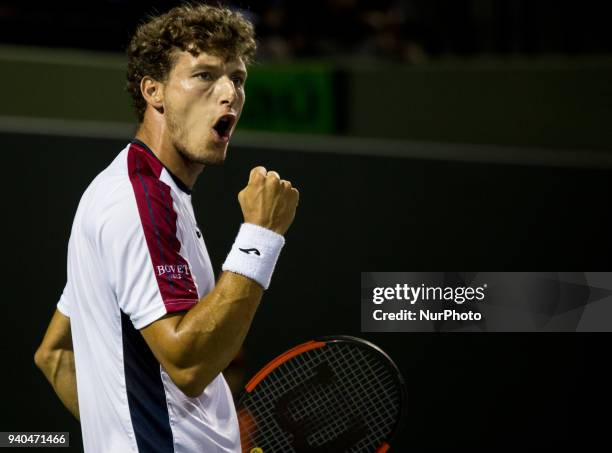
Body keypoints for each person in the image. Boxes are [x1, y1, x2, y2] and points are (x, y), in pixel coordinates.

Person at [33, 4, 299, 452]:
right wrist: (261, 235)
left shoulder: (137, 190)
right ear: (153, 92)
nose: (229, 92)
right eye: (203, 75)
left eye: (236, 78)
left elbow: (55, 353)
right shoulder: (140, 200)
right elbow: (189, 365)